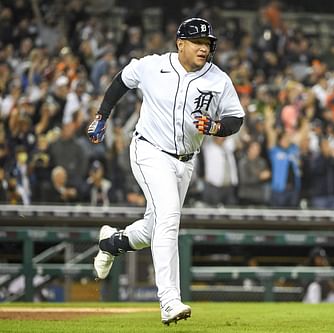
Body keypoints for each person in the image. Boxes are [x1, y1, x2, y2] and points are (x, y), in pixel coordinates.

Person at [86, 18, 244, 325]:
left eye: (208, 44)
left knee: (154, 226)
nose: (204, 48)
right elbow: (122, 80)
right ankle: (169, 301)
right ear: (180, 43)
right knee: (170, 216)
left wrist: (216, 127)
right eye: (198, 42)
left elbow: (236, 118)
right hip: (149, 150)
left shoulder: (218, 79)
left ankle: (110, 242)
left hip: (185, 161)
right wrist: (102, 116)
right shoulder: (152, 66)